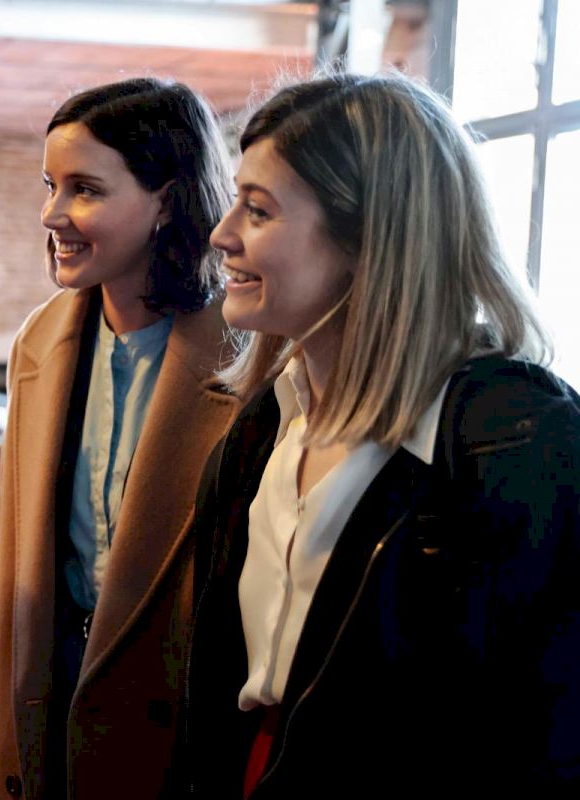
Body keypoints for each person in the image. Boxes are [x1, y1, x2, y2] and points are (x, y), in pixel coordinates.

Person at [185, 73, 580, 797]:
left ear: (369, 236)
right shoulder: (263, 425)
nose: (222, 233)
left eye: (258, 209)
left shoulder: (519, 444)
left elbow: (544, 727)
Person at [0, 78, 239, 800]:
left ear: (168, 202)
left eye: (84, 189)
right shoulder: (39, 343)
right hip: (48, 706)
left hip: (175, 727)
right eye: (50, 186)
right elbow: (11, 568)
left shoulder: (249, 355)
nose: (52, 214)